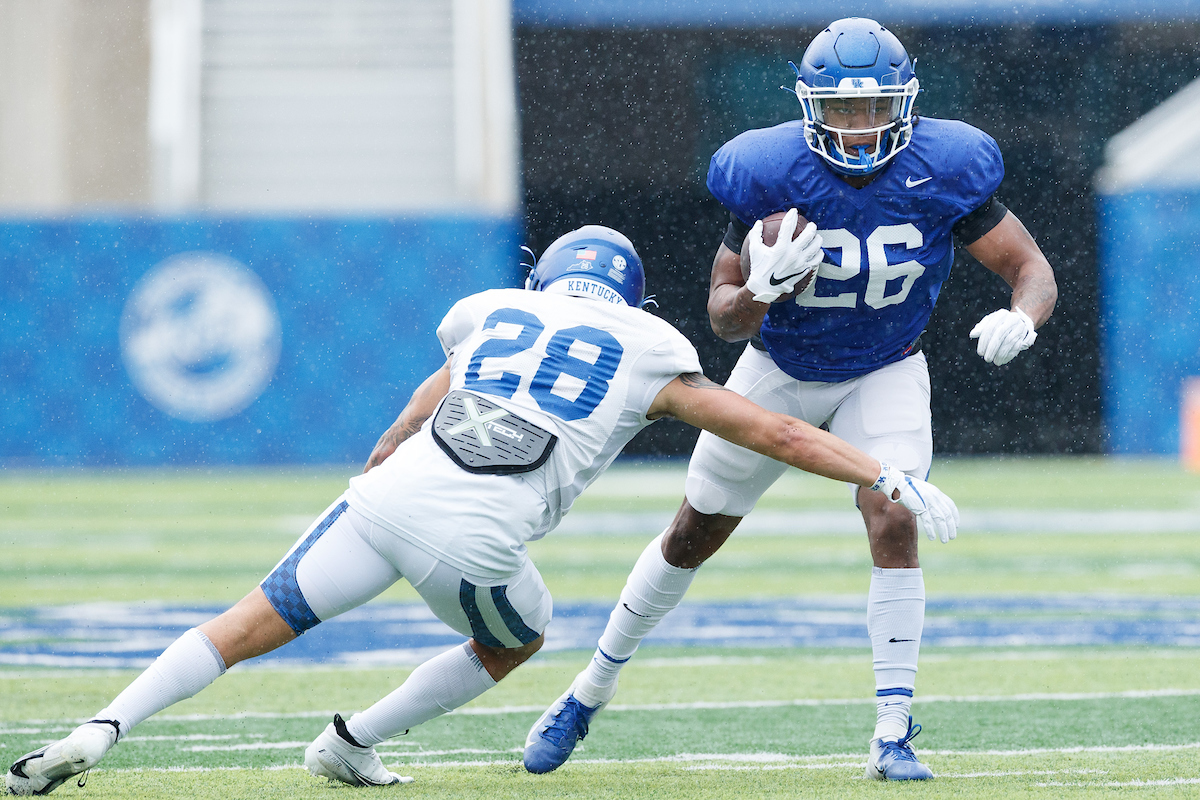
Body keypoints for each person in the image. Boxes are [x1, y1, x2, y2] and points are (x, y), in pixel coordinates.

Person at [6, 225, 958, 796]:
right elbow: (774, 433)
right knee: (519, 638)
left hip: (388, 497)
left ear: (546, 282)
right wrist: (877, 471)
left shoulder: (493, 311)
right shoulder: (648, 345)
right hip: (476, 537)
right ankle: (351, 744)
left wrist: (379, 463)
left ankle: (103, 728)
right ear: (631, 295)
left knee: (242, 624)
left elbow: (437, 388)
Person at [523, 18, 1058, 782]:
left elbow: (1031, 267)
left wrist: (1022, 316)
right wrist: (761, 293)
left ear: (906, 105)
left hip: (885, 366)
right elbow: (721, 314)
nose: (860, 127)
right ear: (810, 108)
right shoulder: (766, 171)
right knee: (692, 534)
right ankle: (587, 692)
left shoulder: (948, 164)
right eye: (842, 110)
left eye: (875, 109)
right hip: (777, 369)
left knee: (895, 512)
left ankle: (893, 731)